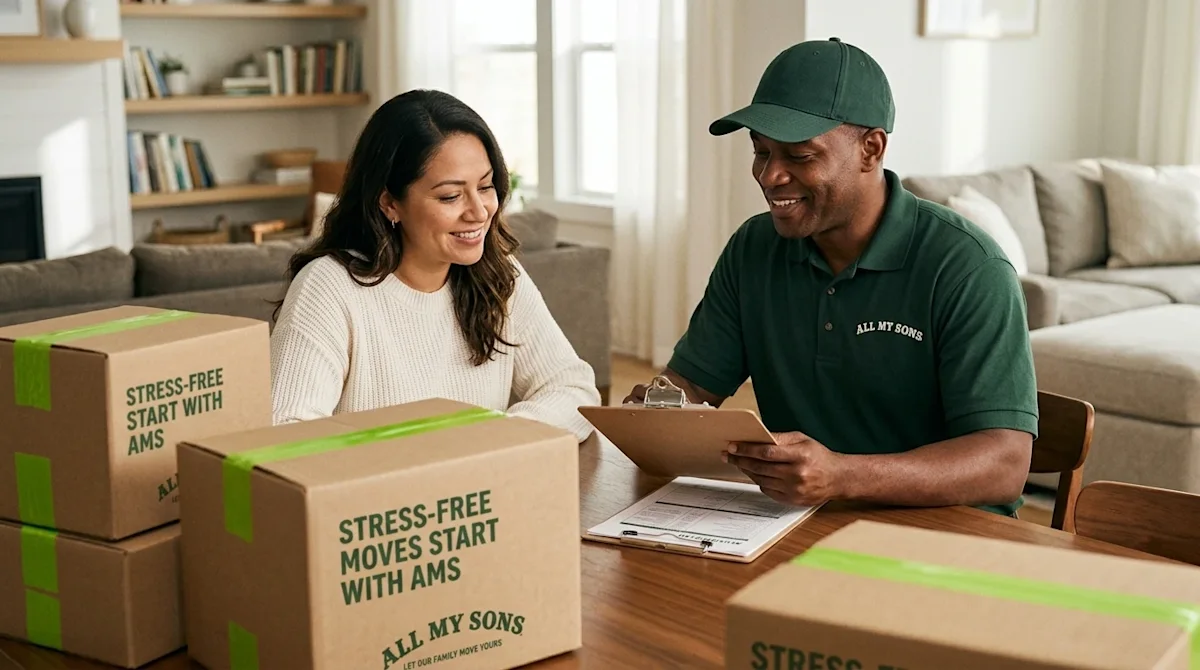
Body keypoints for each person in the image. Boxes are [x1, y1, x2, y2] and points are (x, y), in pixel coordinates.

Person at [625, 38, 1038, 516]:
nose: (769, 175)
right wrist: (660, 411)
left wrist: (841, 475)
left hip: (945, 537)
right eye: (761, 152)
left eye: (799, 156)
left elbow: (1005, 463)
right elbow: (691, 388)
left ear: (871, 148)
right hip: (794, 521)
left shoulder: (968, 268)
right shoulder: (753, 248)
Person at [271, 89, 599, 442]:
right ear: (390, 204)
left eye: (486, 186)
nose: (479, 211)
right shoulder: (329, 287)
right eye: (450, 196)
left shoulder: (499, 274)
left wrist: (495, 438)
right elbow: (285, 431)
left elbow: (574, 388)